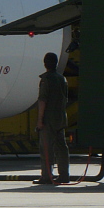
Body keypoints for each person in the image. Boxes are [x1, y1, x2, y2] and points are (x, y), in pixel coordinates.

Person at [34, 51, 70, 185]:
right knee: (62, 148)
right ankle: (64, 175)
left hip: (49, 119)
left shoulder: (46, 79)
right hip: (60, 117)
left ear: (45, 64)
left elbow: (42, 100)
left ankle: (46, 176)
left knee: (46, 149)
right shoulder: (62, 79)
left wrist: (40, 120)